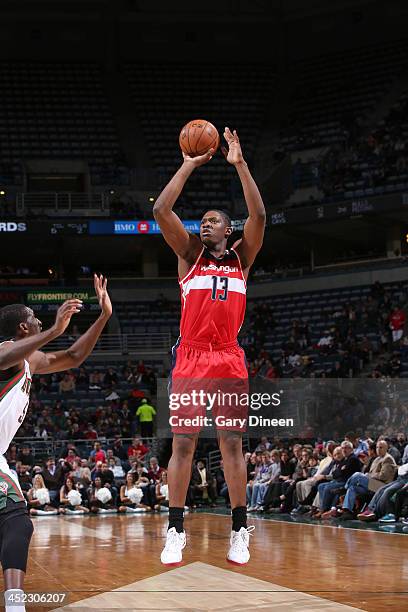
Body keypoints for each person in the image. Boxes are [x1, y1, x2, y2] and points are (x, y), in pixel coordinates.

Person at [154, 127, 265, 565]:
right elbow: (163, 208)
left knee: (231, 445)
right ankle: (175, 529)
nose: (204, 223)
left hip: (229, 355)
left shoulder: (242, 258)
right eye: (202, 219)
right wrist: (190, 162)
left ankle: (240, 528)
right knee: (183, 445)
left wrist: (239, 164)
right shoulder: (188, 254)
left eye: (213, 220)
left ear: (228, 230)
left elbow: (259, 214)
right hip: (193, 355)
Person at [0, 274, 111, 611]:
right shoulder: (5, 350)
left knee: (15, 522)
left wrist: (103, 315)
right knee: (16, 521)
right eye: (34, 318)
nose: (39, 321)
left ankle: (15, 601)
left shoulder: (31, 360)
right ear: (22, 328)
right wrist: (56, 330)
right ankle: (16, 603)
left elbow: (74, 357)